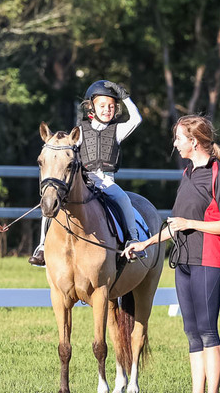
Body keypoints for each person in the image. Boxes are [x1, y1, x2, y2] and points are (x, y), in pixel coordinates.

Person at [123, 115, 220, 393]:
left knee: (208, 329)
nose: (175, 144)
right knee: (191, 331)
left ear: (194, 141)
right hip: (184, 260)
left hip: (209, 259)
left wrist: (192, 223)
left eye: (178, 138)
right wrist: (145, 243)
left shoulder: (219, 174)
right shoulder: (187, 174)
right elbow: (176, 224)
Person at [29, 80, 144, 267]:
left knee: (123, 199)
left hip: (106, 180)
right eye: (102, 106)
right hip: (84, 179)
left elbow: (136, 119)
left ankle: (132, 239)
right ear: (91, 107)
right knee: (50, 204)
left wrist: (125, 96)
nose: (107, 109)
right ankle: (42, 246)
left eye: (112, 106)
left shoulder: (117, 131)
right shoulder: (80, 131)